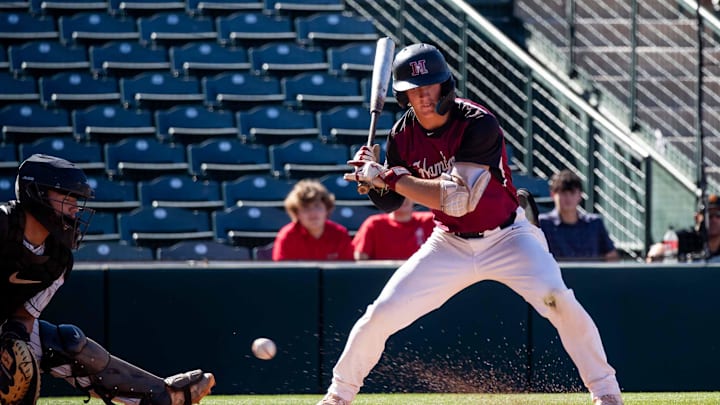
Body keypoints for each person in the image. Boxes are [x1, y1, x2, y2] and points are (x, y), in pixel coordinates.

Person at [316, 43, 623, 405]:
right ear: (403, 97)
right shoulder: (401, 135)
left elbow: (458, 199)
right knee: (381, 314)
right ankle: (339, 395)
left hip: (509, 236)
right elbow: (394, 201)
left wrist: (387, 177)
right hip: (449, 243)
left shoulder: (478, 123)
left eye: (430, 86)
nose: (424, 96)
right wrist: (372, 181)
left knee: (559, 300)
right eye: (414, 91)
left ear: (446, 86)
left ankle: (605, 391)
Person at [0, 154, 215, 405]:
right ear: (35, 193)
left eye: (76, 200)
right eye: (67, 197)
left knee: (65, 344)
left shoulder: (58, 259)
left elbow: (23, 318)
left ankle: (165, 396)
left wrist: (15, 345)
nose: (74, 207)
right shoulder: (3, 224)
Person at [538, 170, 619, 261]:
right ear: (553, 195)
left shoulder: (595, 224)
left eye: (572, 193)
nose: (568, 198)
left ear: (580, 195)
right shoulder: (542, 224)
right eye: (563, 193)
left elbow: (611, 257)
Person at [272, 179, 354, 261]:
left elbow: (348, 272)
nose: (313, 213)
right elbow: (281, 272)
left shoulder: (340, 234)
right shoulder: (287, 237)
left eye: (317, 206)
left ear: (327, 209)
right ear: (296, 213)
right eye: (305, 208)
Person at [352, 197, 434, 260]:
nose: (403, 198)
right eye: (398, 194)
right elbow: (360, 257)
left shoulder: (431, 221)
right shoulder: (374, 223)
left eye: (407, 193)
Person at [646, 193, 720, 262]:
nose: (714, 220)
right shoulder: (683, 239)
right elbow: (656, 252)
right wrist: (658, 253)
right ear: (697, 218)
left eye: (718, 215)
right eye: (709, 215)